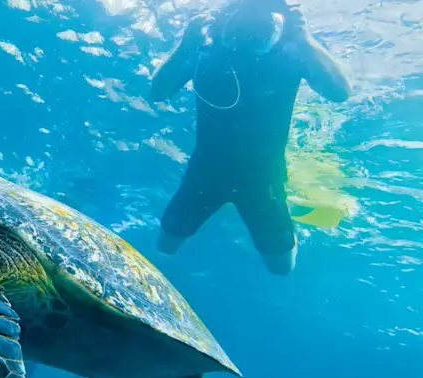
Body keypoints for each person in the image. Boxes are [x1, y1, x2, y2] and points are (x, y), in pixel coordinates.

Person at [150, 0, 352, 275]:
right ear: (223, 24)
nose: (250, 34)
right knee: (165, 247)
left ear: (282, 27)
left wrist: (306, 42)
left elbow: (341, 93)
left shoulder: (290, 56)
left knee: (282, 269)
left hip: (263, 183)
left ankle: (293, 204)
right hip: (205, 176)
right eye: (241, 23)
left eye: (262, 25)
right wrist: (186, 46)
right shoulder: (206, 54)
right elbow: (158, 93)